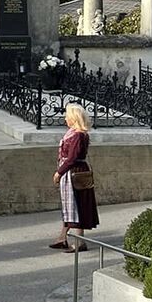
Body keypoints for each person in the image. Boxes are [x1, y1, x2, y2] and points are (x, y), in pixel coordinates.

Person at [50, 102, 99, 252]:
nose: (65, 119)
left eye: (67, 116)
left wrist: (59, 172)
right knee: (70, 205)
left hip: (75, 173)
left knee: (77, 205)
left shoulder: (78, 135)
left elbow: (72, 158)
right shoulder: (73, 133)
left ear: (74, 117)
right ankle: (62, 237)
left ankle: (80, 241)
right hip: (71, 172)